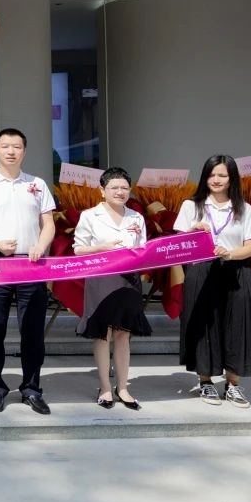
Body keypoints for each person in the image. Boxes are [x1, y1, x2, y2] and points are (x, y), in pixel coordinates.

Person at [0, 127, 56, 415]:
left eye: (17, 146)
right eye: (5, 146)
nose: (11, 151)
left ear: (24, 151)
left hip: (32, 263)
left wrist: (40, 245)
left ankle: (31, 388)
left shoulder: (37, 184)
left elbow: (49, 224)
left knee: (33, 330)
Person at [174, 155, 251, 407]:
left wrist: (229, 254)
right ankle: (205, 381)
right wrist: (193, 232)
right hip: (201, 271)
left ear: (232, 178)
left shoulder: (244, 208)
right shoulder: (191, 206)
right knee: (203, 324)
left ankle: (233, 384)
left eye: (222, 175)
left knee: (238, 324)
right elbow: (179, 245)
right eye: (211, 174)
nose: (216, 180)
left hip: (236, 270)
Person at [72, 167, 152, 410]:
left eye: (124, 188)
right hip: (101, 277)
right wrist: (102, 248)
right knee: (102, 332)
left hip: (129, 280)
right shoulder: (90, 215)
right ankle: (105, 387)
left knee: (123, 333)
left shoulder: (136, 217)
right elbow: (78, 249)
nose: (120, 192)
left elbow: (143, 249)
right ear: (102, 190)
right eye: (114, 187)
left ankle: (123, 387)